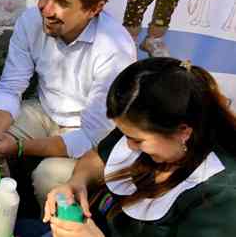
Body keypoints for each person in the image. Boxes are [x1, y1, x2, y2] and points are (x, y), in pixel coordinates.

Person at [0, 0, 137, 206]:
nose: (46, 9)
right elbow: (12, 84)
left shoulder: (115, 48)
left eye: (62, 3)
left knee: (50, 178)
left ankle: (49, 227)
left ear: (94, 9)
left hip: (90, 133)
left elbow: (92, 136)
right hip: (44, 110)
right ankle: (2, 208)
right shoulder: (32, 21)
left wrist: (20, 147)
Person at [41, 58, 236, 237]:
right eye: (124, 134)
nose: (128, 145)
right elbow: (98, 157)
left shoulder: (221, 194)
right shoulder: (139, 122)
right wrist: (77, 182)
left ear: (183, 132)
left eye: (137, 140)